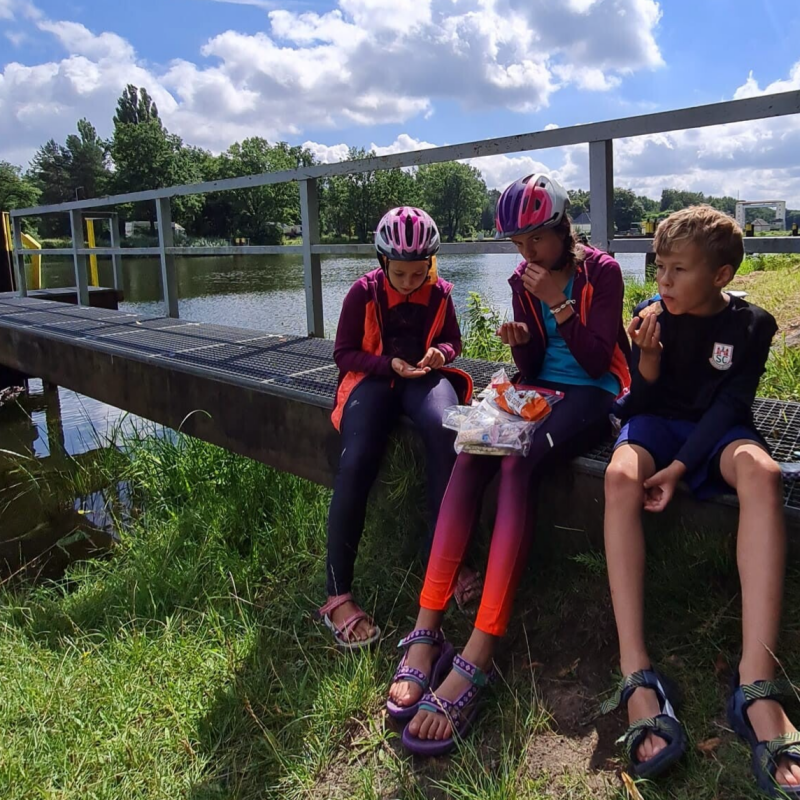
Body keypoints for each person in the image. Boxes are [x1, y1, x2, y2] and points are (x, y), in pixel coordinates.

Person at [387, 174, 631, 754]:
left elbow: (600, 358)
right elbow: (535, 361)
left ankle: (480, 648)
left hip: (594, 394)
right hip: (540, 389)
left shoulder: (603, 272)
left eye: (536, 241)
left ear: (562, 231)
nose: (526, 254)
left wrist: (558, 304)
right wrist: (522, 336)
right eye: (518, 244)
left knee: (518, 464)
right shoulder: (523, 277)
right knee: (472, 452)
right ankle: (426, 630)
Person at [602, 205, 798, 795]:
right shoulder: (647, 315)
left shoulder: (752, 326)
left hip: (716, 436)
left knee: (763, 474)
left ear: (721, 274)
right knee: (618, 477)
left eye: (677, 270)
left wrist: (683, 467)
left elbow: (731, 407)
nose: (661, 282)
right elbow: (641, 402)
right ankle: (635, 672)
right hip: (659, 425)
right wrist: (649, 360)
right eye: (658, 268)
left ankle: (756, 685)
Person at [318, 206, 476, 650]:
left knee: (448, 433)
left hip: (422, 378)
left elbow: (453, 340)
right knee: (358, 457)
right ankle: (338, 595)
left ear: (430, 264)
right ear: (383, 261)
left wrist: (440, 356)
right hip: (372, 377)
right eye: (400, 274)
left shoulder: (441, 292)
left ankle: (442, 560)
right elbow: (345, 353)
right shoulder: (362, 292)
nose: (409, 283)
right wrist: (387, 363)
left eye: (418, 274)